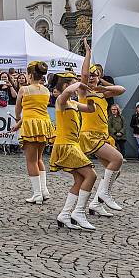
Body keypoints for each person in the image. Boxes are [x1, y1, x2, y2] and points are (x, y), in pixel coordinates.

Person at [78, 41, 126, 217]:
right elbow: (83, 74)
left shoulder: (101, 93)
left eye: (95, 75)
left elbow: (121, 89)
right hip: (90, 135)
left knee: (115, 171)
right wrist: (88, 54)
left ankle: (96, 203)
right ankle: (104, 194)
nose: (91, 77)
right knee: (117, 159)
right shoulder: (83, 92)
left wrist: (100, 85)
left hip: (103, 136)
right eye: (90, 75)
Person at [49, 72, 98, 231]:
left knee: (79, 180)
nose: (77, 85)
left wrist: (91, 95)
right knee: (91, 175)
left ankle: (65, 214)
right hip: (66, 145)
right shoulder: (60, 101)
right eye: (73, 82)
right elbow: (69, 91)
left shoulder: (74, 103)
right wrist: (81, 84)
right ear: (65, 85)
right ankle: (78, 212)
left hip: (73, 145)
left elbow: (91, 109)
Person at [11, 61, 55, 205]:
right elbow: (35, 109)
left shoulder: (24, 90)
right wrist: (20, 123)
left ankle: (37, 194)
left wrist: (18, 120)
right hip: (43, 124)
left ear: (30, 75)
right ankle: (44, 190)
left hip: (30, 125)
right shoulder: (46, 90)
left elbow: (18, 109)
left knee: (31, 161)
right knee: (39, 159)